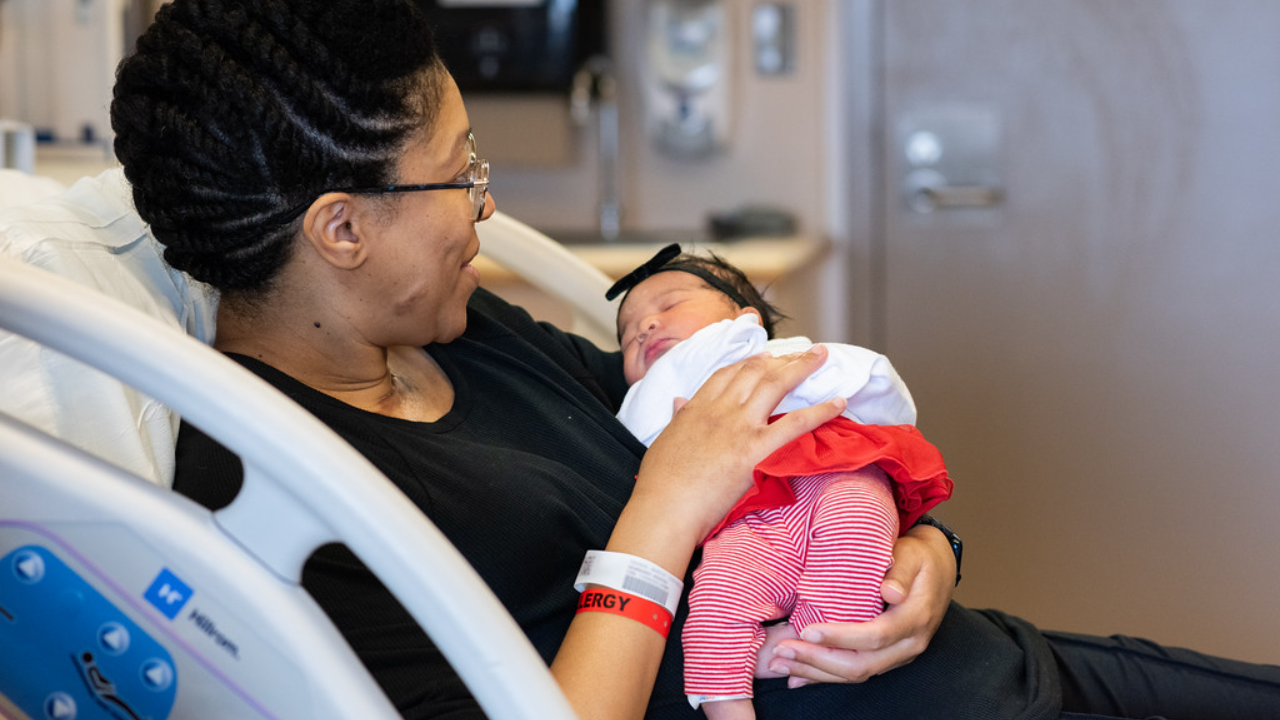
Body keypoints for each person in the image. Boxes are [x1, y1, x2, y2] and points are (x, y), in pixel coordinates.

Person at [110, 1, 1280, 719]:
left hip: (1000, 668)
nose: (482, 210)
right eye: (459, 175)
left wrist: (922, 548)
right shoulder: (267, 489)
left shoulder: (473, 339)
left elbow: (778, 451)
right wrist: (657, 518)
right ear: (340, 227)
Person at [609, 246, 954, 719]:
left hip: (836, 472)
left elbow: (875, 386)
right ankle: (734, 697)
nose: (644, 327)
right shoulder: (649, 395)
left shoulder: (782, 354)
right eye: (627, 337)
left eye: (669, 306)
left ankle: (814, 646)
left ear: (745, 316)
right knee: (715, 602)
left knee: (855, 534)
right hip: (744, 519)